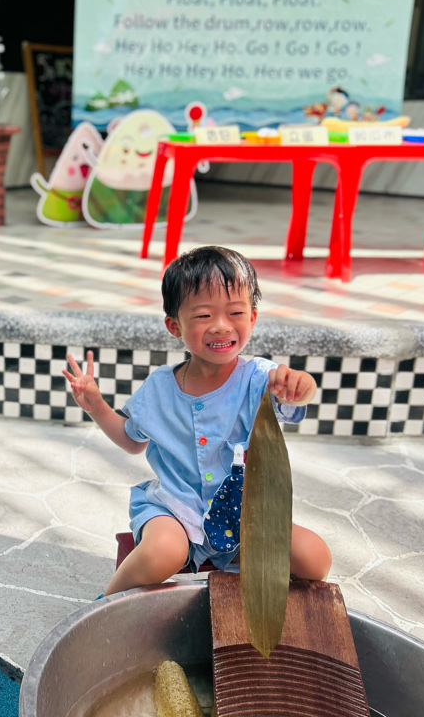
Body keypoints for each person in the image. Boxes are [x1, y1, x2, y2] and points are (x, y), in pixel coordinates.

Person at [63, 245, 331, 597]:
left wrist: (300, 385)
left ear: (252, 318)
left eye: (235, 312)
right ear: (174, 325)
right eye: (204, 315)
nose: (221, 326)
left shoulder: (259, 379)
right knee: (164, 552)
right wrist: (96, 405)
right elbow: (131, 440)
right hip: (175, 509)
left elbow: (298, 393)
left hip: (245, 514)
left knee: (314, 558)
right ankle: (104, 605)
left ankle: (244, 577)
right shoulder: (160, 387)